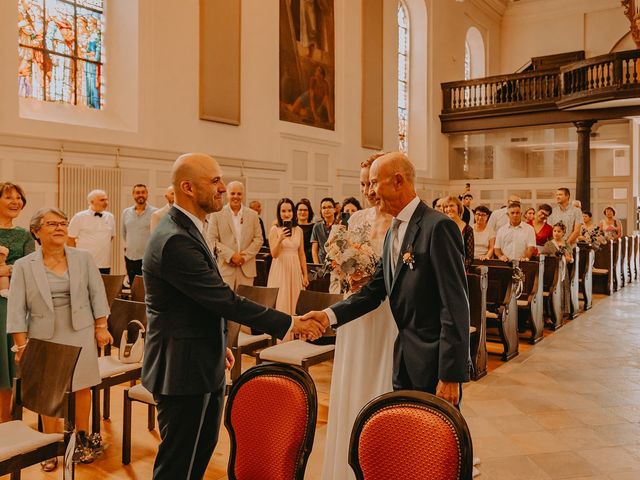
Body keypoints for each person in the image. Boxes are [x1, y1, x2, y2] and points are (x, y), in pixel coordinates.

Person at [141, 153, 324, 480]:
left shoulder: (189, 226)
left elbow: (197, 302)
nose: (223, 188)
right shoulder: (174, 239)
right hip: (181, 367)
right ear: (187, 187)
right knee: (177, 466)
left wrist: (217, 340)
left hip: (200, 356)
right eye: (214, 181)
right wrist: (291, 322)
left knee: (199, 454)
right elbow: (223, 299)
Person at [304, 152, 470, 406]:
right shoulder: (395, 230)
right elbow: (374, 290)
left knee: (435, 441)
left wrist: (450, 374)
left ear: (398, 181)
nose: (369, 191)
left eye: (374, 183)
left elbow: (456, 305)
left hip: (432, 363)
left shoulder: (437, 227)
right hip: (403, 358)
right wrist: (328, 315)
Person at [8, 207, 112, 470]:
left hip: (80, 330)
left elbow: (97, 294)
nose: (59, 228)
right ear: (36, 231)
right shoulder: (23, 265)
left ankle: (82, 440)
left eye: (63, 223)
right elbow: (16, 308)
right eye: (51, 224)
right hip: (43, 335)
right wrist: (21, 344)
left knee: (83, 386)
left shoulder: (83, 258)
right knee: (48, 392)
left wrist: (101, 326)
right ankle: (49, 447)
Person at [321, 153, 396, 480]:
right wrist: (348, 276)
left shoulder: (400, 222)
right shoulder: (355, 221)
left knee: (382, 374)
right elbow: (339, 272)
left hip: (387, 312)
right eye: (363, 184)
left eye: (373, 183)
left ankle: (383, 454)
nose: (368, 190)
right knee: (354, 377)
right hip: (355, 311)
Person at [0, 182, 35, 424]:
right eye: (9, 197)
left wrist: (6, 268)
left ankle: (5, 420)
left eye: (19, 197)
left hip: (9, 304)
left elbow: (32, 267)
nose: (15, 201)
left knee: (5, 365)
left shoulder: (24, 235)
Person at [207, 181, 263, 290]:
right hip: (225, 269)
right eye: (232, 193)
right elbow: (211, 240)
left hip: (246, 269)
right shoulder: (216, 214)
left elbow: (258, 239)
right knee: (226, 304)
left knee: (245, 304)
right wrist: (231, 255)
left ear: (243, 195)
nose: (236, 196)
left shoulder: (253, 215)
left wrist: (243, 257)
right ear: (227, 194)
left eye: (239, 194)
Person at [267, 198, 309, 316]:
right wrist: (280, 239)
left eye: (289, 211)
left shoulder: (299, 230)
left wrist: (305, 275)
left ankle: (295, 333)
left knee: (296, 302)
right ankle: (282, 334)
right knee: (281, 301)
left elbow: (301, 254)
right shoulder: (274, 230)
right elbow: (274, 255)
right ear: (279, 213)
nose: (286, 214)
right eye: (283, 211)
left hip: (295, 270)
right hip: (280, 269)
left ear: (293, 212)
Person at [67, 189, 115, 274]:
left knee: (102, 287)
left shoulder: (110, 217)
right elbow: (70, 239)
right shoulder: (79, 217)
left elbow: (111, 237)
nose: (106, 202)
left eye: (106, 199)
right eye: (102, 200)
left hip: (104, 264)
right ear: (91, 201)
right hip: (84, 263)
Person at [122, 184, 157, 287]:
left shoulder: (155, 213)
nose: (140, 195)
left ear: (147, 194)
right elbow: (124, 233)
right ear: (133, 195)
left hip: (147, 258)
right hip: (130, 257)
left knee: (147, 289)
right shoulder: (126, 212)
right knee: (133, 288)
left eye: (143, 192)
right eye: (137, 192)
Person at [443, 195, 474, 268]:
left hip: (461, 268)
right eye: (446, 207)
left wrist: (459, 269)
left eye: (451, 206)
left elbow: (469, 257)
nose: (448, 209)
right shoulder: (441, 227)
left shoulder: (468, 229)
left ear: (459, 208)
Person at [311, 197, 336, 264]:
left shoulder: (339, 225)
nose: (326, 210)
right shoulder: (317, 226)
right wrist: (317, 266)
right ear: (321, 210)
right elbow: (314, 250)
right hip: (321, 262)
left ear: (334, 209)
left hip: (336, 263)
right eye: (324, 208)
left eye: (329, 207)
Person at [296, 198, 315, 263]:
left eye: (305, 210)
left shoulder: (314, 227)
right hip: (295, 259)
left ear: (309, 212)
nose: (303, 212)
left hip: (309, 260)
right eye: (300, 210)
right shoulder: (293, 227)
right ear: (296, 211)